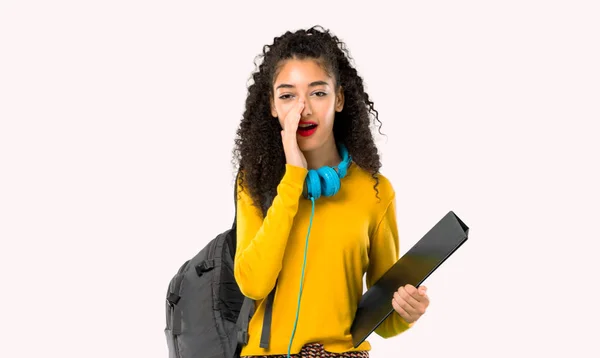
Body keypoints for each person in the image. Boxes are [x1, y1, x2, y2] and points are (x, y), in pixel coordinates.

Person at [232, 25, 430, 358]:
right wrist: (293, 178)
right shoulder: (254, 181)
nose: (303, 108)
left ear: (338, 99)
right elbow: (253, 283)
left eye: (318, 92)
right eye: (287, 95)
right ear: (272, 106)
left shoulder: (375, 192)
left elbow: (381, 317)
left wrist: (405, 314)